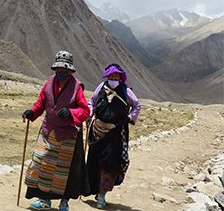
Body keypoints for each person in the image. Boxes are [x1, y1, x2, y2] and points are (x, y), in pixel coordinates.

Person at [22, 50, 90, 211]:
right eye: (59, 70)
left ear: (70, 71)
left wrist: (71, 113)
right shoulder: (49, 83)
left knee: (65, 171)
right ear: (55, 69)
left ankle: (64, 202)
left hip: (68, 136)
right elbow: (41, 103)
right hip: (48, 132)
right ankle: (44, 199)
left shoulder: (76, 87)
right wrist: (32, 112)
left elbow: (85, 110)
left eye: (64, 71)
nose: (61, 73)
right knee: (42, 164)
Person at [86, 63, 141, 209]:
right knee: (94, 161)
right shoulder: (101, 88)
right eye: (111, 76)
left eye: (116, 76)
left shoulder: (126, 91)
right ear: (107, 76)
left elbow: (137, 105)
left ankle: (102, 195)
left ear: (120, 78)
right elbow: (91, 101)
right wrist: (89, 114)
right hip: (97, 132)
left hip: (115, 134)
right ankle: (94, 190)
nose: (113, 78)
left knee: (109, 164)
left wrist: (130, 118)